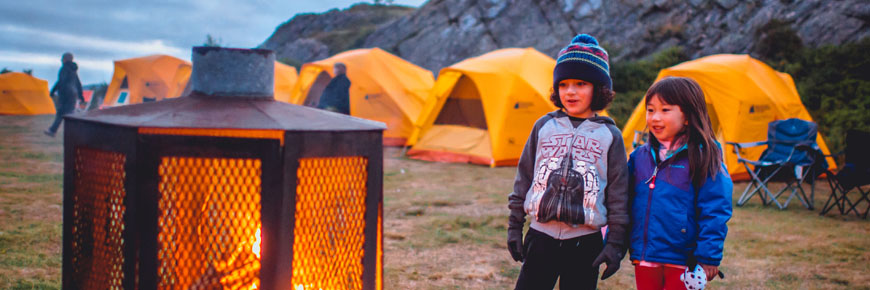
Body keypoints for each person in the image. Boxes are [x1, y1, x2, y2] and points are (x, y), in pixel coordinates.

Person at [507, 34, 629, 289]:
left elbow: (618, 194)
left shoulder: (610, 135)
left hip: (586, 243)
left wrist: (616, 244)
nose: (570, 91)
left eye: (581, 83)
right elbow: (524, 178)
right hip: (541, 236)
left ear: (599, 88)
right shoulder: (544, 126)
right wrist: (514, 228)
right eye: (563, 84)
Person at [628, 77, 733, 290]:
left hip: (684, 260)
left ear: (687, 116)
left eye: (665, 110)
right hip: (646, 256)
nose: (655, 117)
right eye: (650, 110)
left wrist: (708, 256)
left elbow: (715, 210)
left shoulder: (704, 157)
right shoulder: (639, 156)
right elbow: (623, 201)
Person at [44, 52, 85, 137]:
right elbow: (78, 83)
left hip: (65, 95)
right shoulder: (73, 70)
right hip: (73, 95)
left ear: (65, 59)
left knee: (61, 113)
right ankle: (75, 132)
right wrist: (81, 96)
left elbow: (61, 82)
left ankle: (53, 131)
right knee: (69, 113)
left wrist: (52, 91)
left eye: (62, 58)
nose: (61, 60)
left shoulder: (64, 68)